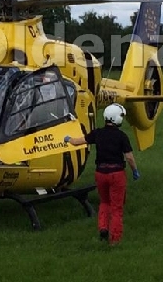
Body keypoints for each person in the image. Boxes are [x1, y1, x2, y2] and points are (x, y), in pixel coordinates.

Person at [64, 103, 140, 246]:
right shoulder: (121, 136)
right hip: (116, 174)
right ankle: (115, 239)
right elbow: (129, 157)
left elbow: (77, 142)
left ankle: (103, 228)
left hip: (100, 173)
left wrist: (67, 138)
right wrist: (135, 171)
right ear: (117, 118)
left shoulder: (97, 133)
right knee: (117, 207)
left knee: (104, 202)